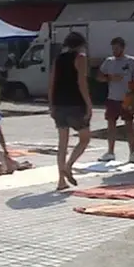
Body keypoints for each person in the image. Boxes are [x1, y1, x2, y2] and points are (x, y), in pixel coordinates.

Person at [49, 32, 92, 191]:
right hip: (75, 103)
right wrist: (89, 104)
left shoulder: (58, 59)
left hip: (59, 103)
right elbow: (82, 82)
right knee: (85, 138)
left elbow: (52, 82)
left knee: (62, 144)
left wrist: (51, 103)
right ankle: (69, 165)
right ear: (81, 44)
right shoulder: (80, 58)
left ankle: (61, 181)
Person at [97, 37, 134, 163]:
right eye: (113, 48)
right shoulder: (109, 61)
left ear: (123, 48)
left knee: (129, 125)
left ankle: (132, 153)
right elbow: (99, 77)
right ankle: (110, 151)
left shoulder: (132, 62)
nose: (115, 51)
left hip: (127, 97)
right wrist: (110, 78)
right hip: (112, 97)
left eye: (117, 48)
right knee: (111, 125)